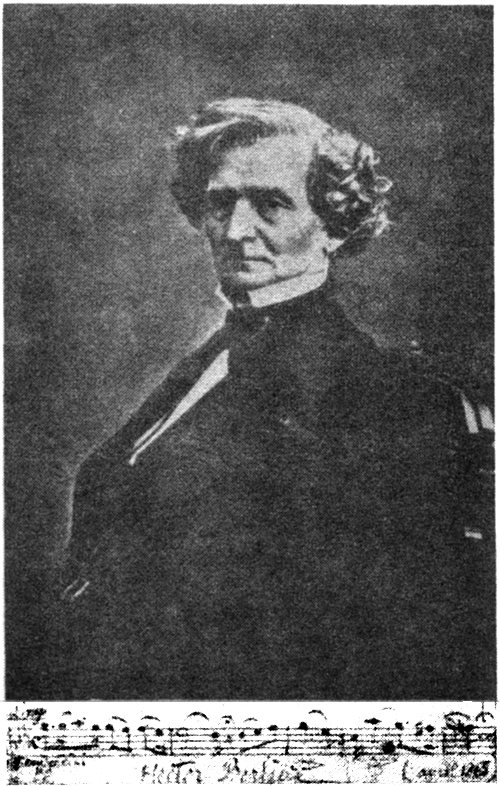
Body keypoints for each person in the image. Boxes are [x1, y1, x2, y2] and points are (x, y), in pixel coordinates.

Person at [51, 98, 494, 700]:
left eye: (271, 204)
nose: (236, 231)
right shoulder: (210, 361)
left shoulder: (393, 402)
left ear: (334, 224)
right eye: (220, 203)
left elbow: (374, 644)